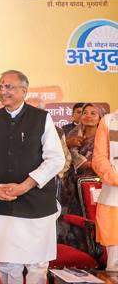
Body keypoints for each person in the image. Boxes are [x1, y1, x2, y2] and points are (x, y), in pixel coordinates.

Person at [0, 70, 65, 284]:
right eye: (0, 86)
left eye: (8, 87)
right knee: (7, 264)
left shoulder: (41, 118)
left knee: (37, 265)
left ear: (24, 91)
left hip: (37, 201)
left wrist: (26, 185)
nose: (3, 91)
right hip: (2, 200)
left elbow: (56, 159)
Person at [60, 103, 104, 248]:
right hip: (71, 189)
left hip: (94, 187)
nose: (88, 116)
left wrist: (90, 164)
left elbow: (108, 162)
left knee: (93, 220)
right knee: (72, 221)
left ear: (100, 118)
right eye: (85, 113)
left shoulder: (105, 138)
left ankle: (95, 253)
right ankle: (74, 253)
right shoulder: (71, 136)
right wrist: (66, 144)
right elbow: (59, 158)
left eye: (93, 113)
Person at [92, 108, 118, 271]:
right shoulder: (109, 121)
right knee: (115, 264)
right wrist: (115, 178)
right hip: (114, 200)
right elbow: (99, 159)